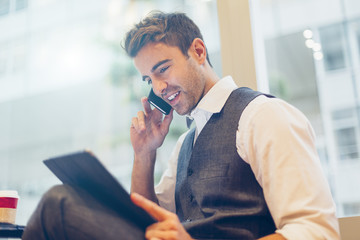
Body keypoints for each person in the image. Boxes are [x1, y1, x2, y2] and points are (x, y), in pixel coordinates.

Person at [22, 11, 340, 240]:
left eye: (163, 69)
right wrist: (144, 153)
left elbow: (315, 230)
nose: (158, 87)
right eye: (149, 79)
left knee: (58, 203)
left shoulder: (263, 116)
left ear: (198, 51)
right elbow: (147, 222)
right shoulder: (185, 144)